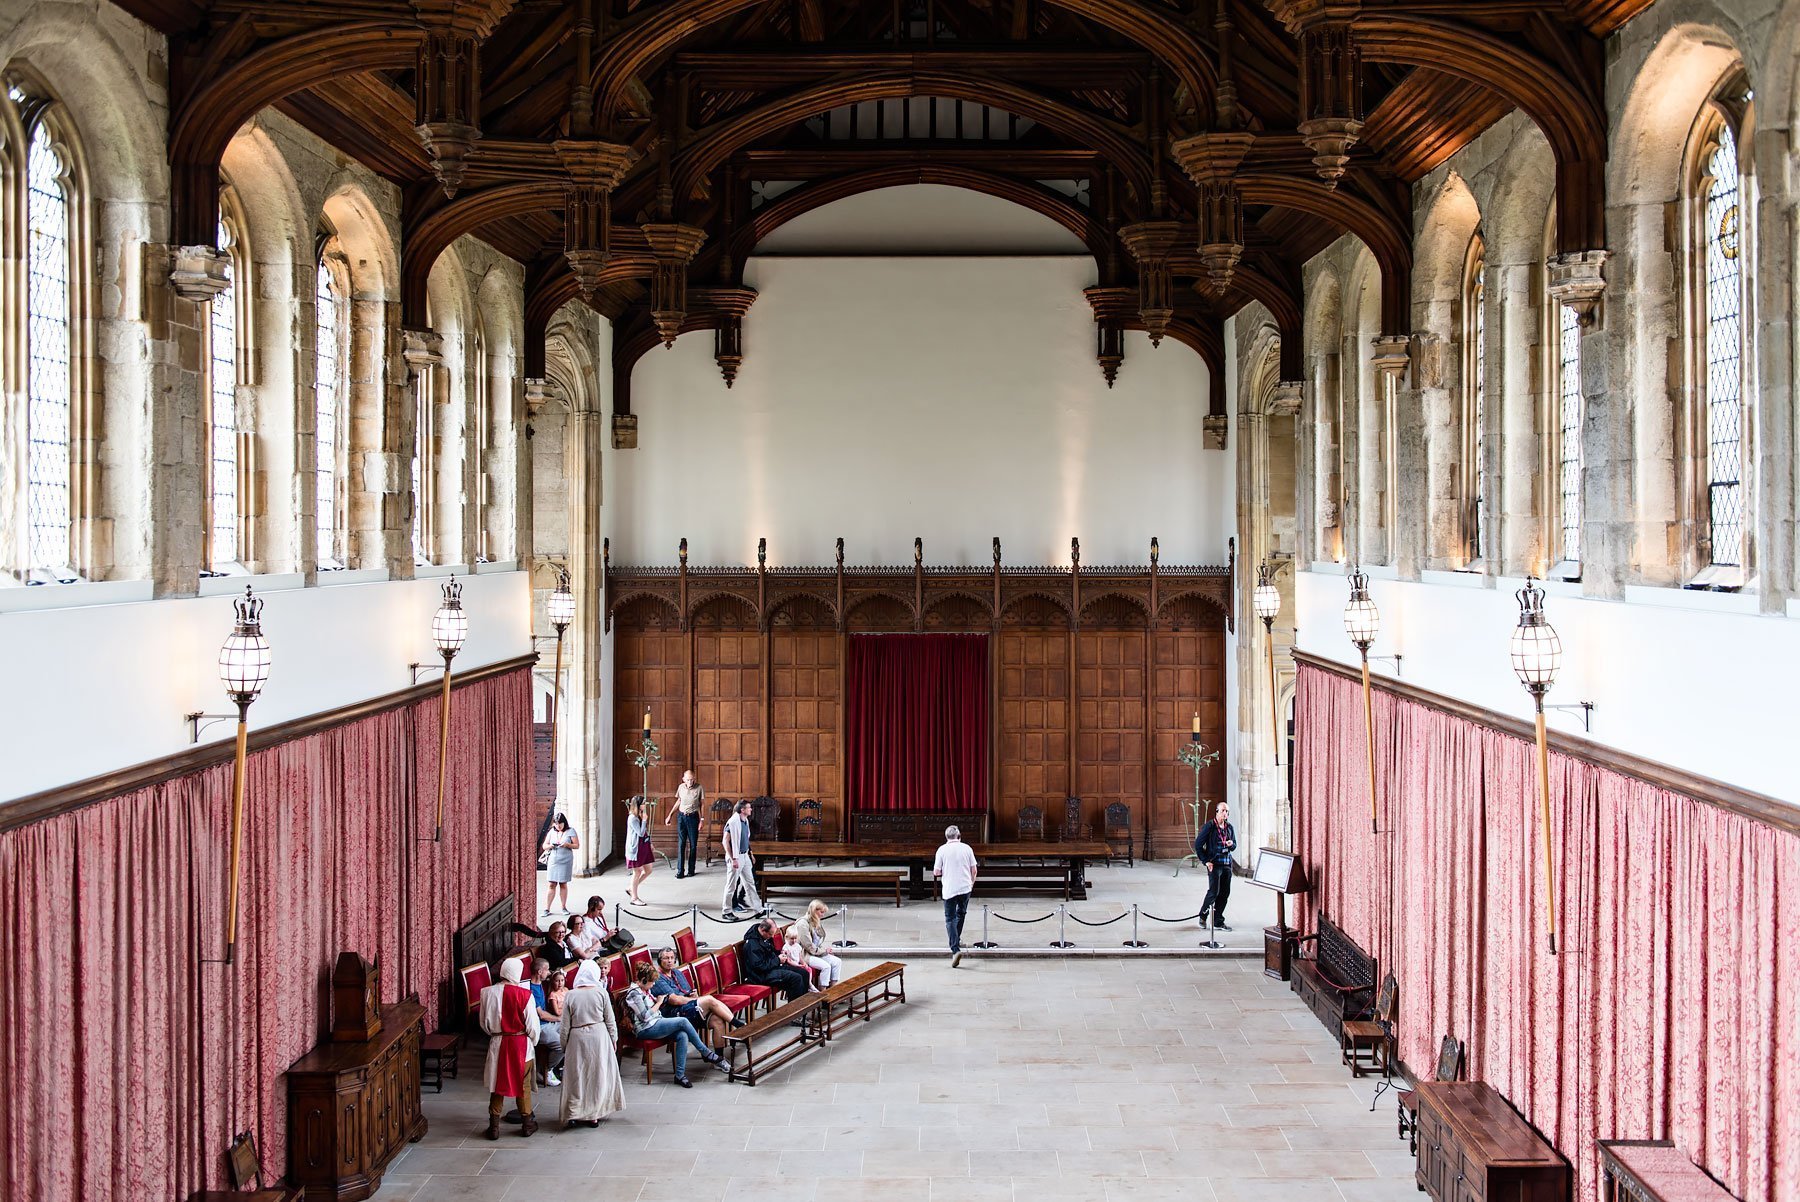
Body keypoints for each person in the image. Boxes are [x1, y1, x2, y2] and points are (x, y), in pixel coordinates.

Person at [621, 961, 724, 1088]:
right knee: (683, 1021)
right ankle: (706, 1053)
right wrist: (659, 1002)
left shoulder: (645, 989)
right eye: (651, 982)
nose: (653, 985)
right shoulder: (634, 994)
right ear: (643, 980)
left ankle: (679, 1075)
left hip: (656, 1021)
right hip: (645, 1028)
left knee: (682, 1035)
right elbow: (645, 1017)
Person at [479, 958, 541, 1139]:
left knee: (497, 1085)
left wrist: (496, 1034)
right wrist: (533, 1042)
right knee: (523, 1086)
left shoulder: (486, 993)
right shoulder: (525, 994)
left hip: (498, 1043)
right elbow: (533, 1026)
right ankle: (527, 1124)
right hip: (521, 1045)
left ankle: (494, 1127)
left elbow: (483, 1023)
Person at [559, 960, 625, 1127]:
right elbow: (610, 1020)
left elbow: (564, 1025)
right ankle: (593, 1115)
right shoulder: (601, 992)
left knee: (577, 1076)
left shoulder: (571, 995)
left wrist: (564, 1045)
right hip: (598, 1036)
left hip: (577, 1038)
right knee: (596, 1076)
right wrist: (613, 1039)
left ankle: (575, 1112)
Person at [651, 947, 735, 1046]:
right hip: (674, 1014)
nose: (670, 961)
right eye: (666, 958)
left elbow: (687, 991)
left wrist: (693, 995)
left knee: (718, 1020)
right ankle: (737, 1024)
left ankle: (719, 1057)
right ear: (660, 960)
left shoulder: (676, 972)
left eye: (672, 958)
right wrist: (696, 999)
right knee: (709, 999)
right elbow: (675, 1000)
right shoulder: (658, 977)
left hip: (688, 1008)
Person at [933, 824, 979, 967]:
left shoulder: (942, 850)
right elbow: (974, 870)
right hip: (965, 887)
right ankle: (956, 940)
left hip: (950, 888)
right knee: (961, 913)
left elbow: (936, 872)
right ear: (959, 836)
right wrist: (971, 884)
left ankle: (955, 949)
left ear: (946, 837)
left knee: (950, 918)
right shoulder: (967, 848)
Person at [742, 918, 811, 1003]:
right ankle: (794, 1010)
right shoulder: (752, 944)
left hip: (772, 967)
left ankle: (802, 1006)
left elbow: (770, 952)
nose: (772, 936)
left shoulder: (764, 936)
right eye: (771, 934)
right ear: (763, 931)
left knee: (804, 973)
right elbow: (759, 966)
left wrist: (780, 953)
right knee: (796, 978)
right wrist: (778, 960)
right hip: (761, 975)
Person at [1195, 802, 1239, 932]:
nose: (1225, 814)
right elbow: (1198, 845)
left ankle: (1218, 921)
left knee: (1224, 893)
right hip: (1215, 864)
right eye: (1223, 811)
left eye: (1227, 812)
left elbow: (1234, 845)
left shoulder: (1229, 827)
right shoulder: (1210, 827)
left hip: (1227, 864)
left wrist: (1231, 844)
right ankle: (1203, 916)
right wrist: (1205, 861)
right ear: (1217, 811)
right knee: (1213, 892)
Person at [721, 799, 766, 921]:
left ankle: (758, 909)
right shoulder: (733, 822)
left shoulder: (745, 820)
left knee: (750, 883)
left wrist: (750, 853)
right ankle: (726, 911)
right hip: (736, 857)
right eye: (749, 807)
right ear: (742, 810)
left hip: (744, 855)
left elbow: (745, 839)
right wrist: (733, 859)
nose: (751, 809)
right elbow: (725, 841)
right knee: (731, 885)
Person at [528, 958, 565, 1087]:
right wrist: (559, 1018)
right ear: (539, 972)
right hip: (540, 1027)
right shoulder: (531, 989)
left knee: (571, 1029)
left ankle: (561, 1066)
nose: (548, 972)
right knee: (562, 1044)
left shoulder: (540, 983)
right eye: (546, 969)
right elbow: (541, 1014)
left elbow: (553, 975)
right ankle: (546, 1070)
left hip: (547, 1023)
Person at [665, 769, 705, 879]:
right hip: (682, 817)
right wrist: (670, 815)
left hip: (693, 818)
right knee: (681, 844)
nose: (690, 782)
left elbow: (702, 804)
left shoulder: (699, 787)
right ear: (684, 779)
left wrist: (702, 820)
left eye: (692, 779)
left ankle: (691, 870)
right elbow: (678, 801)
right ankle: (680, 871)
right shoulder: (681, 787)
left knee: (693, 845)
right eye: (688, 780)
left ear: (694, 779)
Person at [796, 900, 844, 987]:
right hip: (806, 955)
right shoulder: (802, 924)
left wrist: (824, 950)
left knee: (837, 961)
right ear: (814, 911)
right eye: (821, 912)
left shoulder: (815, 921)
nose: (822, 915)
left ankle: (832, 990)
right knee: (826, 967)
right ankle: (823, 992)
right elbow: (809, 946)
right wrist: (824, 951)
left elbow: (818, 940)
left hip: (816, 952)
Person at [541, 813, 579, 916]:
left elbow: (577, 845)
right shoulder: (551, 832)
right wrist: (550, 846)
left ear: (564, 823)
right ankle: (547, 909)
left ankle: (563, 907)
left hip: (566, 861)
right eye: (556, 824)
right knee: (551, 884)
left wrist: (567, 845)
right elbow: (544, 846)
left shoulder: (571, 831)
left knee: (563, 884)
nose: (558, 826)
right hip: (554, 861)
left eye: (560, 824)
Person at [624, 796, 654, 904]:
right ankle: (634, 898)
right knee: (637, 871)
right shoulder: (632, 818)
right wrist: (645, 820)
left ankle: (631, 888)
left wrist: (650, 843)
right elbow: (640, 833)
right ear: (637, 805)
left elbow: (644, 832)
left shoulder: (639, 815)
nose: (645, 805)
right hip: (635, 848)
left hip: (643, 846)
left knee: (648, 870)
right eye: (643, 803)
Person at [780, 925, 822, 991]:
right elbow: (789, 961)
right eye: (792, 938)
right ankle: (809, 985)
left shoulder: (797, 946)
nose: (794, 940)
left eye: (795, 938)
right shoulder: (786, 947)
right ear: (787, 937)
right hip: (790, 965)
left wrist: (804, 963)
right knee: (803, 972)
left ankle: (809, 983)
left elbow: (800, 957)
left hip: (797, 964)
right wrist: (798, 965)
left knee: (808, 969)